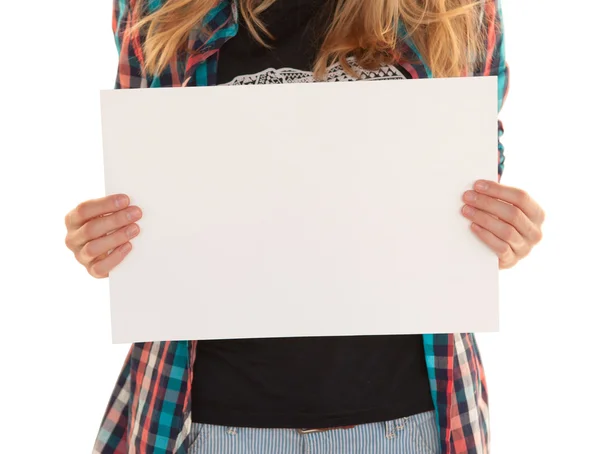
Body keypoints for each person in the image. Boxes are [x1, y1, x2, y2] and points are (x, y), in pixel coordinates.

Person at [63, 0, 545, 452]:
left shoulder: (454, 8)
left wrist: (502, 231)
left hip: (409, 426)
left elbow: (474, 177)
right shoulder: (158, 8)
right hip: (206, 425)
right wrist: (106, 237)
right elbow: (145, 176)